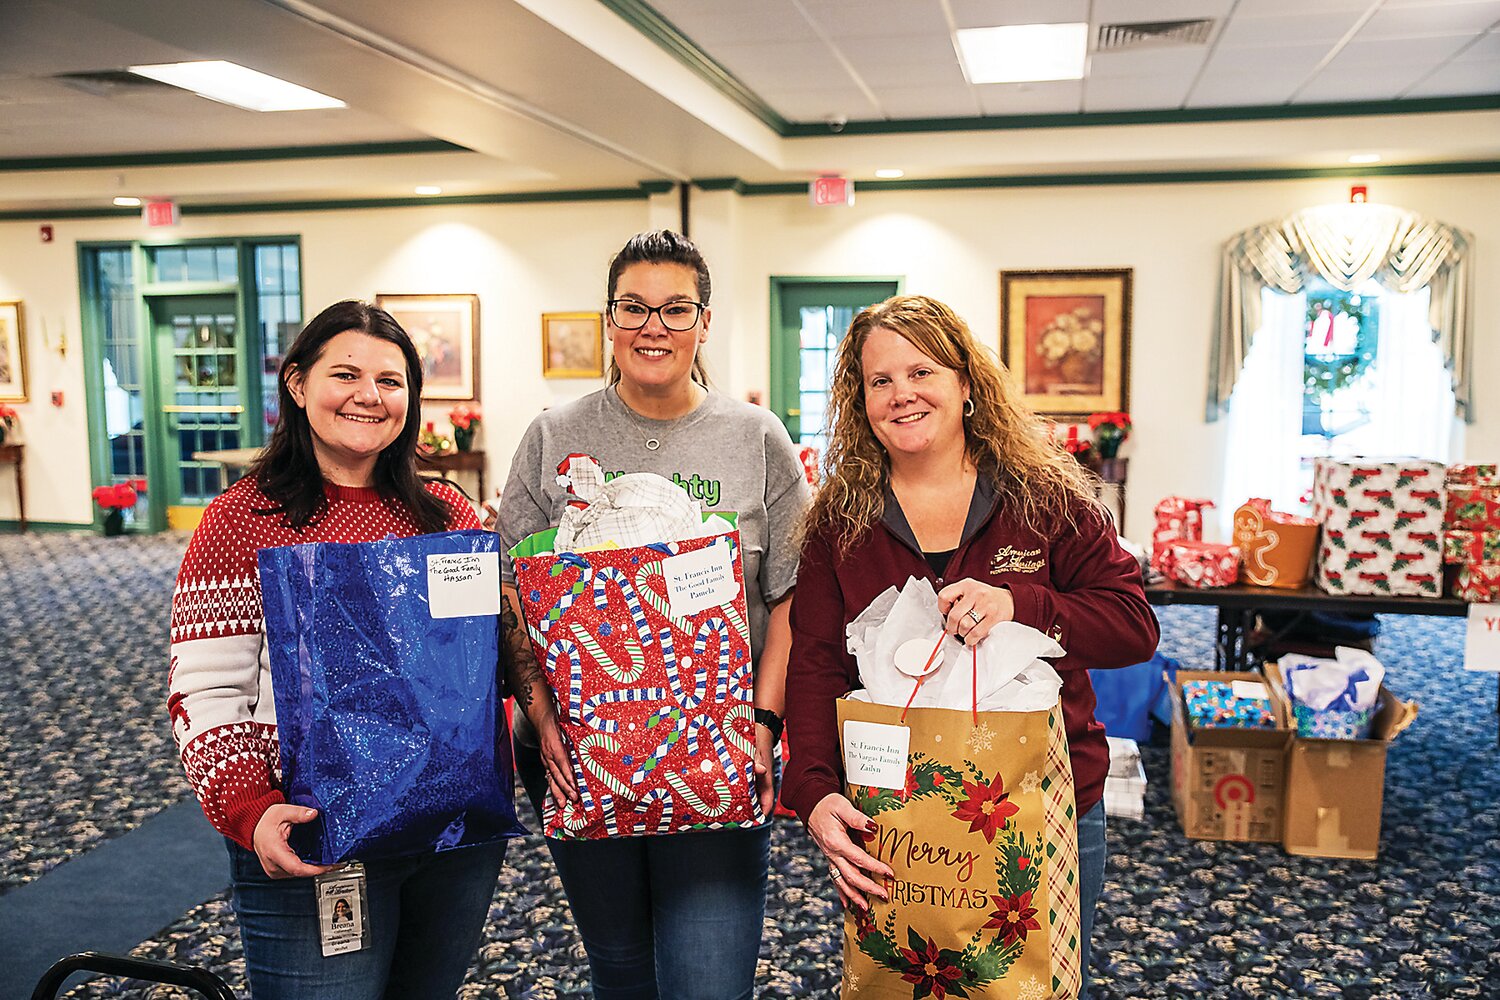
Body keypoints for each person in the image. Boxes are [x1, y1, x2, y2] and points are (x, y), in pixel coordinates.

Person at [779, 295, 1159, 999]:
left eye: (921, 371)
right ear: (859, 401)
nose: (901, 395)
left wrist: (1024, 604)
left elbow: (1133, 626)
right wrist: (812, 791)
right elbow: (815, 665)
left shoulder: (1044, 496)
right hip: (895, 815)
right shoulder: (841, 519)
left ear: (965, 383)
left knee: (1028, 987)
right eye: (879, 381)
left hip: (1048, 807)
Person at [496, 230, 810, 1000]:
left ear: (705, 323)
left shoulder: (756, 439)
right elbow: (511, 599)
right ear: (608, 320)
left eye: (676, 309)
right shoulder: (552, 437)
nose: (653, 327)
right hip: (579, 755)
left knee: (708, 980)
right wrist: (540, 719)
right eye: (633, 307)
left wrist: (763, 727)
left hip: (717, 753)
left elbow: (789, 598)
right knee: (622, 968)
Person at [167, 300, 505, 1000]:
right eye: (345, 374)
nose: (369, 397)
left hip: (453, 832)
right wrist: (248, 808)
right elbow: (202, 692)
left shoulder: (447, 516)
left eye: (391, 381)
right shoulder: (242, 519)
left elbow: (476, 674)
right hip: (313, 835)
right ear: (297, 384)